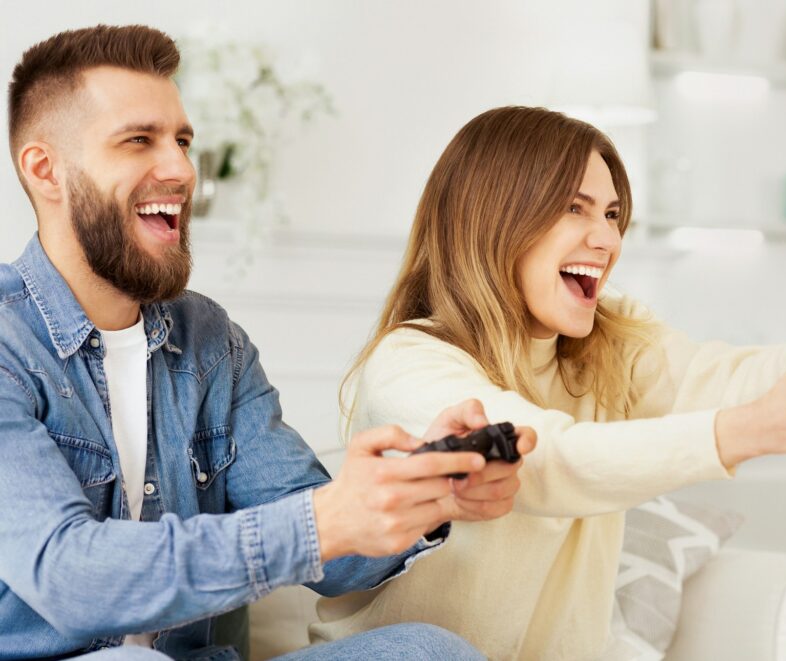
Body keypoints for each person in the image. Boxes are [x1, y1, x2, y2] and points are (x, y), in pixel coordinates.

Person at [310, 105, 786, 659]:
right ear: (494, 219)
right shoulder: (413, 358)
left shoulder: (608, 343)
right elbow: (546, 458)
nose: (608, 237)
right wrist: (744, 433)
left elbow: (722, 378)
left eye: (613, 214)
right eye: (575, 208)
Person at [0, 26, 535, 660]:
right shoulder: (10, 343)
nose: (180, 169)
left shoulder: (211, 345)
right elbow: (69, 578)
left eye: (182, 141)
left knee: (428, 651)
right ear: (46, 170)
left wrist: (420, 493)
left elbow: (329, 556)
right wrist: (317, 524)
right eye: (139, 141)